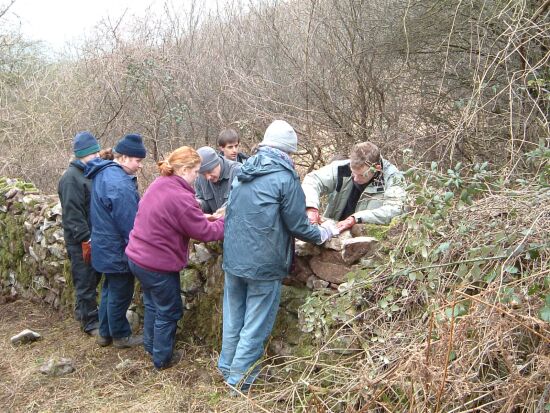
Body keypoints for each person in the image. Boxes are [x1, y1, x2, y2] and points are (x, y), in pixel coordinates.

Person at [219, 120, 339, 393]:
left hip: (234, 257)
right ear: (287, 151)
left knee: (234, 316)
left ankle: (227, 366)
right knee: (255, 323)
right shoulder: (285, 178)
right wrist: (325, 232)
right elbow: (298, 225)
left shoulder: (242, 170)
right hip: (264, 263)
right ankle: (240, 379)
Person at [126, 146, 225, 370]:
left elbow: (179, 218)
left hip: (138, 256)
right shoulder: (180, 195)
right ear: (184, 169)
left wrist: (202, 217)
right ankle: (162, 359)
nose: (198, 176)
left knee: (153, 304)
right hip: (157, 263)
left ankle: (152, 346)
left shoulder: (161, 183)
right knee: (169, 310)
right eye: (196, 171)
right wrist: (226, 221)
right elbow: (206, 233)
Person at [85, 133, 146, 348]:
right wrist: (140, 246)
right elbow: (130, 223)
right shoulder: (119, 184)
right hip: (116, 249)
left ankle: (105, 333)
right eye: (138, 161)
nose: (139, 166)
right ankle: (121, 335)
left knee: (109, 289)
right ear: (124, 157)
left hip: (103, 245)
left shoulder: (104, 173)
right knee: (120, 292)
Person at [302, 141, 406, 231]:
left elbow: (396, 209)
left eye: (361, 175)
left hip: (369, 240)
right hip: (334, 230)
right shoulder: (342, 168)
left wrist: (356, 218)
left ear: (377, 168)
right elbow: (312, 180)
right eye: (353, 173)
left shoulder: (393, 178)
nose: (355, 178)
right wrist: (311, 208)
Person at [58, 131, 102, 336]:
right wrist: (87, 238)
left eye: (97, 152)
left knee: (93, 278)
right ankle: (90, 322)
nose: (97, 156)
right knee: (85, 281)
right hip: (81, 241)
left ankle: (83, 312)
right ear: (83, 154)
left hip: (92, 237)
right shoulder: (71, 178)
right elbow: (73, 214)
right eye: (93, 153)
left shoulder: (88, 173)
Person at [195, 146, 241, 216]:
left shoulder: (237, 172)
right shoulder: (200, 179)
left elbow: (243, 201)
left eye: (210, 171)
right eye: (203, 174)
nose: (208, 177)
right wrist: (198, 204)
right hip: (216, 225)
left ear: (218, 162)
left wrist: (227, 210)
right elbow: (204, 203)